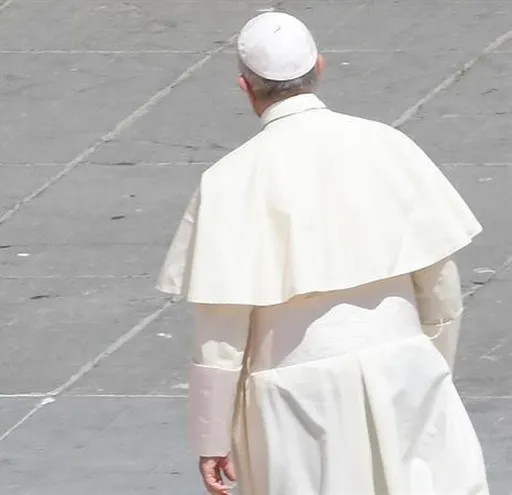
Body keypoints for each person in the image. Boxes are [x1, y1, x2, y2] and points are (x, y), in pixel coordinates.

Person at [156, 11, 490, 495]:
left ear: (246, 87)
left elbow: (220, 332)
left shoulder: (229, 180)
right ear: (321, 66)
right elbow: (440, 287)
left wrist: (211, 437)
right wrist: (427, 367)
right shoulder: (388, 145)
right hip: (404, 372)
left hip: (292, 400)